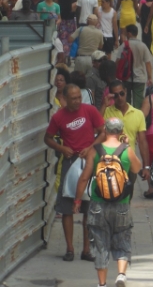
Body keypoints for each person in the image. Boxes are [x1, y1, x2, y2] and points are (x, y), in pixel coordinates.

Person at [73, 117, 140, 287]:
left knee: (100, 243)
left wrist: (78, 200)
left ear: (105, 130)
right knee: (122, 239)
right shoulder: (126, 150)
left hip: (98, 204)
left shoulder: (95, 151)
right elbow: (137, 168)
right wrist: (128, 146)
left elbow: (84, 178)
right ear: (121, 131)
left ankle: (102, 284)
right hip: (122, 204)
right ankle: (121, 274)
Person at [44, 84, 105, 262]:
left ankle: (86, 250)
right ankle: (70, 249)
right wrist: (62, 148)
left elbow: (103, 132)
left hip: (89, 160)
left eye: (79, 97)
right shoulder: (58, 117)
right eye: (74, 98)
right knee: (66, 208)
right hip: (70, 163)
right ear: (65, 98)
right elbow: (47, 138)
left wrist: (91, 147)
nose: (78, 100)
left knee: (89, 208)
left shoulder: (90, 110)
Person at [102, 81, 150, 186]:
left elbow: (142, 142)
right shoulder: (106, 111)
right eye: (115, 95)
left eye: (121, 93)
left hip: (129, 162)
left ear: (126, 91)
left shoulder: (138, 114)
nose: (119, 97)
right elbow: (97, 129)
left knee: (128, 194)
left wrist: (146, 166)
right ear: (111, 96)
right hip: (110, 163)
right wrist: (104, 105)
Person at [117, 24, 153, 110]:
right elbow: (148, 63)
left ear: (129, 33)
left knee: (126, 102)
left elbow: (118, 61)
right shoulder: (143, 46)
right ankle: (137, 117)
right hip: (140, 78)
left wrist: (117, 73)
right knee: (138, 103)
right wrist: (150, 77)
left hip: (126, 78)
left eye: (126, 33)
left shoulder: (124, 45)